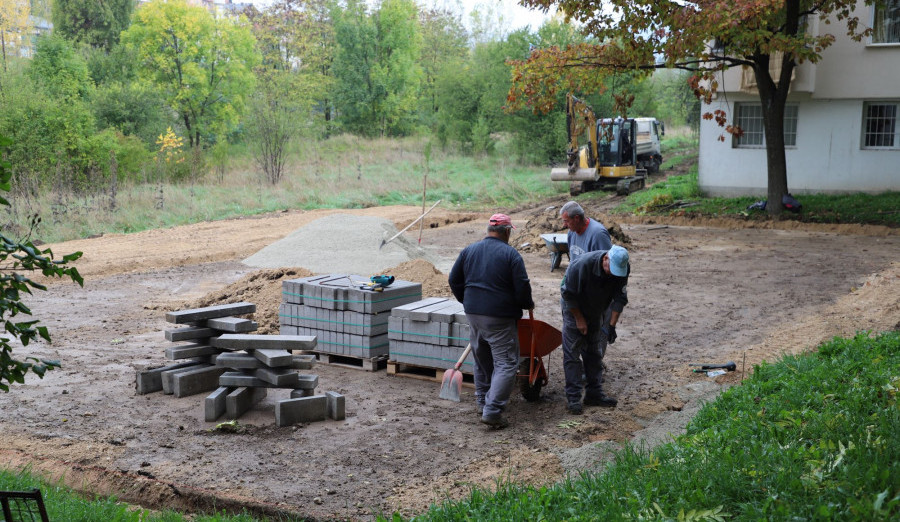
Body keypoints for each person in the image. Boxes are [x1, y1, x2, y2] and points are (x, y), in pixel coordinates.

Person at [448, 213, 535, 429]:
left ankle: (482, 402)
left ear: (489, 230)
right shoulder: (511, 255)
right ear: (507, 232)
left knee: (482, 360)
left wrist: (467, 300)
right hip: (499, 318)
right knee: (506, 363)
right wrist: (526, 303)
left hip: (474, 314)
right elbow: (522, 285)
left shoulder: (469, 250)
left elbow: (453, 279)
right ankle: (493, 411)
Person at [559, 245, 630, 414]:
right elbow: (568, 294)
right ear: (606, 258)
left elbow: (620, 298)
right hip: (574, 308)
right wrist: (579, 319)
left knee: (594, 350)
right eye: (610, 269)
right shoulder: (581, 265)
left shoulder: (622, 268)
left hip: (596, 309)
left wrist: (611, 326)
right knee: (573, 352)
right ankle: (574, 397)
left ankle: (594, 394)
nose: (613, 274)